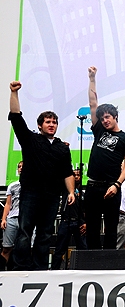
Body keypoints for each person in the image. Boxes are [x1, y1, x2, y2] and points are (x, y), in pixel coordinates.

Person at [8, 81, 75, 270]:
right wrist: (14, 93)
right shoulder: (30, 139)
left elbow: (67, 172)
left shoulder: (62, 147)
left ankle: (39, 268)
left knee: (45, 233)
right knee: (24, 231)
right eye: (48, 122)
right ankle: (20, 267)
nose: (52, 124)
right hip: (30, 193)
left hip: (52, 196)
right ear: (40, 125)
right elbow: (15, 117)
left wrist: (71, 191)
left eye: (54, 122)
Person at [86, 66, 125, 249]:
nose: (104, 121)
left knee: (110, 228)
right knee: (91, 226)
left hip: (111, 187)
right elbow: (93, 104)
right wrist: (92, 78)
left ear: (115, 117)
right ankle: (91, 262)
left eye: (108, 117)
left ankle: (108, 260)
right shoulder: (99, 130)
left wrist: (117, 185)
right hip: (92, 186)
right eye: (102, 118)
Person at [51, 168, 87, 269]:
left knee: (83, 248)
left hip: (79, 222)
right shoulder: (65, 190)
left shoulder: (83, 193)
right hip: (66, 221)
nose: (76, 177)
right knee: (59, 249)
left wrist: (85, 223)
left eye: (78, 175)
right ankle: (54, 270)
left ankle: (84, 270)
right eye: (74, 175)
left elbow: (86, 210)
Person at [0, 161, 23, 270]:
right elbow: (8, 204)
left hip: (26, 219)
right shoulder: (12, 186)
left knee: (27, 248)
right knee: (6, 248)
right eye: (19, 167)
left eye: (23, 166)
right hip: (12, 219)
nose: (21, 168)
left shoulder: (33, 185)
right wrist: (4, 219)